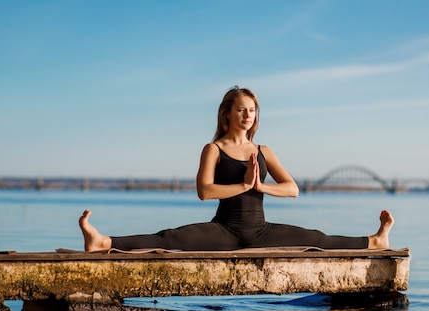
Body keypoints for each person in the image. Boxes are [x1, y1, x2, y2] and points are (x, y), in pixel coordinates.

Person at [79, 86, 394, 252]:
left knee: (317, 237)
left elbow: (293, 189)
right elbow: (204, 192)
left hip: (262, 231)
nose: (248, 115)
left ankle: (376, 241)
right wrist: (243, 186)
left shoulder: (264, 151)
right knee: (169, 238)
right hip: (224, 230)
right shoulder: (213, 149)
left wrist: (260, 187)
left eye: (253, 110)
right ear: (226, 114)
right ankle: (103, 242)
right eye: (242, 109)